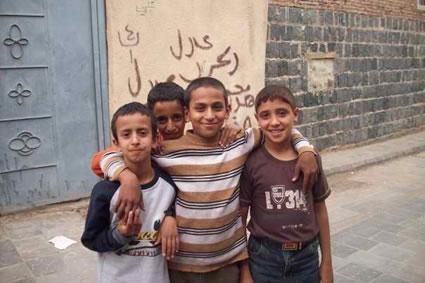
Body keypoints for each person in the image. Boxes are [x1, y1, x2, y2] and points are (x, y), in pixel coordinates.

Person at [93, 77, 320, 283]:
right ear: (187, 113)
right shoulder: (165, 150)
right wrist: (126, 176)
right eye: (200, 108)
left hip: (226, 263)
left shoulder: (240, 141)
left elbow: (278, 129)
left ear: (228, 110)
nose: (209, 115)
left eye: (217, 107)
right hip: (179, 264)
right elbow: (107, 157)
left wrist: (305, 149)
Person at [240, 85, 333, 283]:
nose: (274, 122)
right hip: (263, 258)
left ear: (295, 114)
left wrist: (327, 263)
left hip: (306, 258)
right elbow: (240, 219)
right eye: (265, 115)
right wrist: (244, 270)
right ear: (257, 119)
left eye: (282, 113)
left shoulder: (311, 160)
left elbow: (320, 211)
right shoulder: (251, 162)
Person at [81, 102, 177, 283]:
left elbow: (172, 207)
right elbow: (91, 239)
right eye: (126, 135)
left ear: (156, 138)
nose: (135, 141)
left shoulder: (168, 185)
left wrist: (170, 217)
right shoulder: (104, 191)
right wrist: (120, 234)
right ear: (116, 143)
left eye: (142, 133)